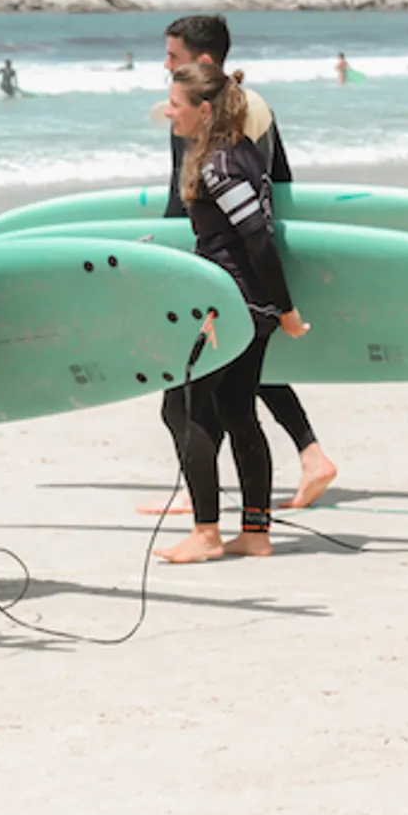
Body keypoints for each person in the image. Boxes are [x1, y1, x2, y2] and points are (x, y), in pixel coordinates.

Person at [159, 14, 336, 509]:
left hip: (232, 268)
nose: (166, 64)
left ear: (204, 62)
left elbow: (217, 192)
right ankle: (218, 495)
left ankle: (214, 502)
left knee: (205, 396)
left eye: (173, 56)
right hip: (241, 268)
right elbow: (277, 180)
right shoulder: (214, 106)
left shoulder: (232, 116)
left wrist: (178, 254)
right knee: (236, 394)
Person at [153, 62, 310, 564]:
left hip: (231, 304)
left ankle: (205, 533)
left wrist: (285, 309)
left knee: (185, 409)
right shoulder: (236, 154)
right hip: (248, 302)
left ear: (203, 111)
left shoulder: (218, 164)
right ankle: (256, 533)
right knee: (239, 411)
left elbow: (257, 239)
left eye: (175, 104)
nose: (167, 112)